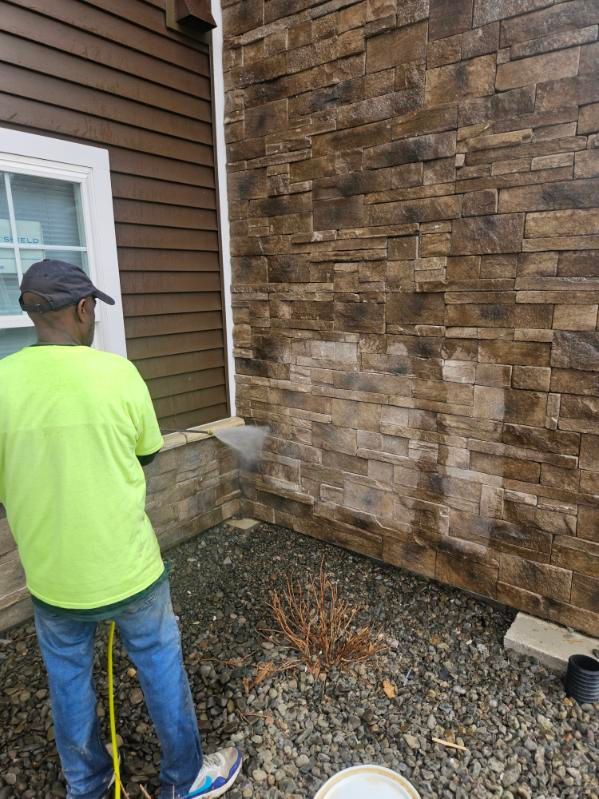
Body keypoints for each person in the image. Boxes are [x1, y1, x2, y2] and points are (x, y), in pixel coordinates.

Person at [0, 260, 242, 799]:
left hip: (53, 580)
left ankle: (86, 785)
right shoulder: (118, 374)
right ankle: (185, 779)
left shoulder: (2, 382)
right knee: (159, 664)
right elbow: (147, 452)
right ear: (84, 309)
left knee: (67, 679)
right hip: (130, 571)